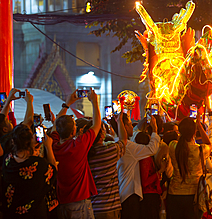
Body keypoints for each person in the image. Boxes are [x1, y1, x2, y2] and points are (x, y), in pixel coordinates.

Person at [50, 88, 101, 219]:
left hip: (62, 204)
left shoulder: (53, 145)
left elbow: (56, 125)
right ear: (73, 132)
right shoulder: (78, 145)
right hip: (80, 204)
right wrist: (94, 103)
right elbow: (96, 125)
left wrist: (67, 104)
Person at [1, 124, 58, 218]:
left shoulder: (8, 160)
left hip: (11, 213)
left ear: (13, 141)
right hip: (34, 213)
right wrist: (48, 147)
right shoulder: (39, 165)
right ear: (30, 141)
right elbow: (54, 170)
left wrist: (32, 149)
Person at [167, 113, 212, 219]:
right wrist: (200, 126)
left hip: (174, 193)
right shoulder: (200, 150)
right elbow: (209, 144)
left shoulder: (173, 146)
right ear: (194, 131)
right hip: (194, 194)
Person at [117, 115, 160, 219]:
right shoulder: (129, 147)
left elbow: (134, 133)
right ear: (125, 127)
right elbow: (151, 149)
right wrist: (154, 130)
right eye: (131, 124)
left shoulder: (116, 142)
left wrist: (142, 123)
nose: (133, 127)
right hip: (129, 194)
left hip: (122, 192)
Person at [88, 112, 128, 219]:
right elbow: (124, 140)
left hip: (92, 207)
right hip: (110, 207)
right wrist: (119, 121)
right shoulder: (110, 151)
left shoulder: (85, 154)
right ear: (102, 135)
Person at [135, 131, 167, 219]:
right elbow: (145, 182)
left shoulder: (143, 156)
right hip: (149, 196)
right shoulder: (145, 159)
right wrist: (160, 171)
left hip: (150, 195)